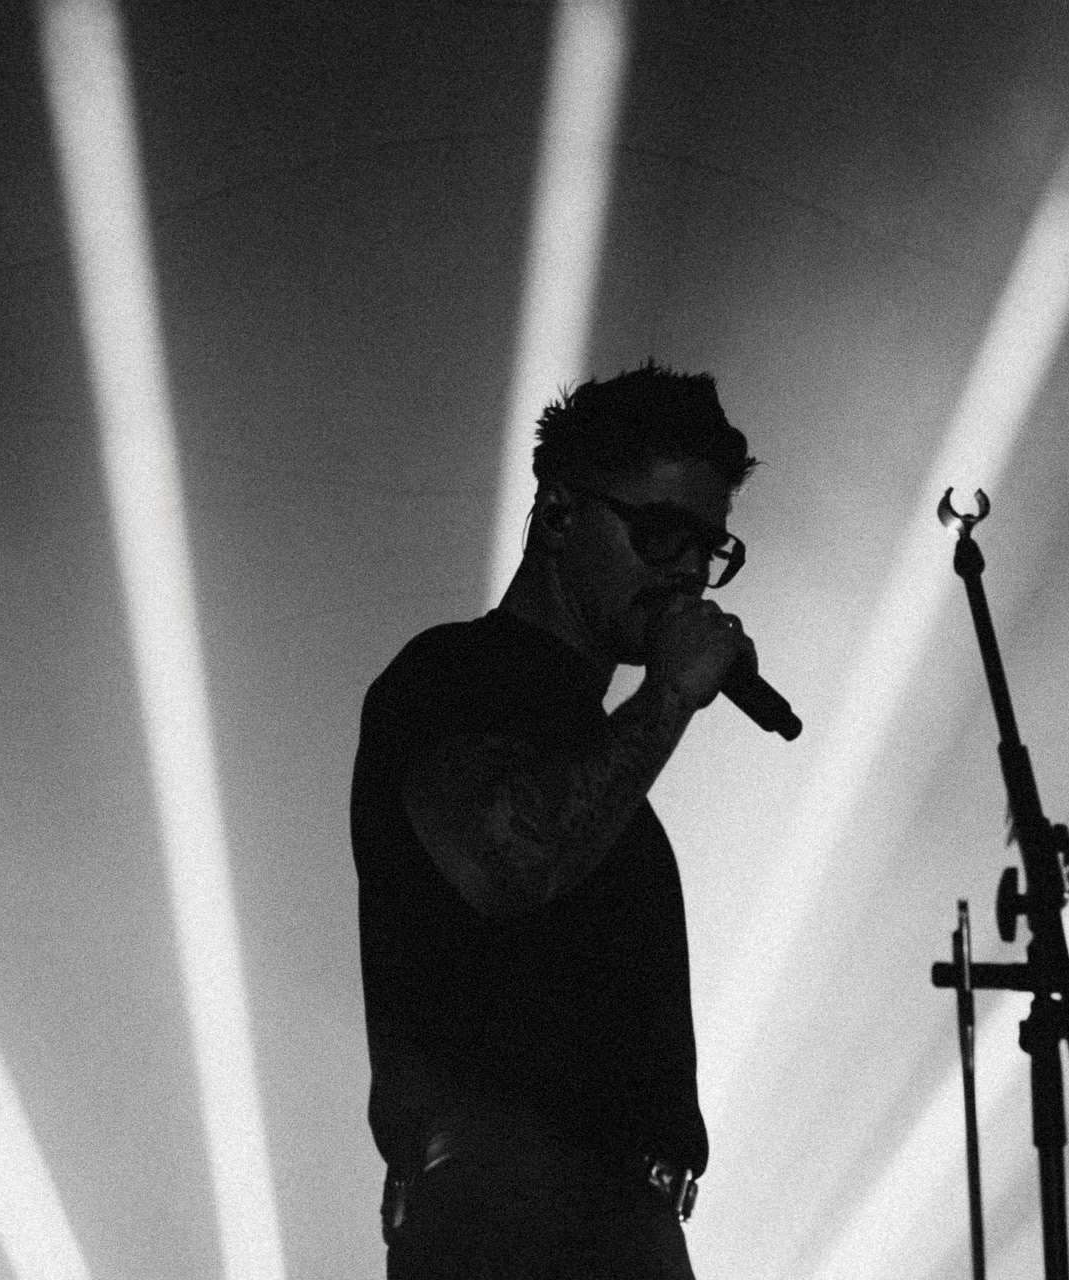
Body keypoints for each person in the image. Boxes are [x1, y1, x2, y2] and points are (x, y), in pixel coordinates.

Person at [350, 362, 761, 1278]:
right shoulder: (450, 677)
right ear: (562, 512)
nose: (689, 573)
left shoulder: (595, 745)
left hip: (616, 1229)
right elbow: (505, 858)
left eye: (710, 548)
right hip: (512, 1225)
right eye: (663, 533)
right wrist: (669, 696)